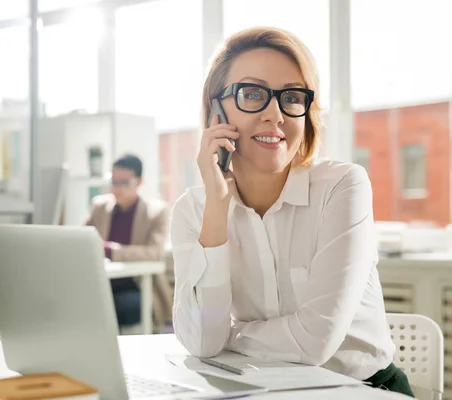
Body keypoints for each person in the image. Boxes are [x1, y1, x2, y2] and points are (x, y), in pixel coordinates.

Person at [171, 27, 413, 396]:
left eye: (291, 97)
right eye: (252, 93)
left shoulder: (342, 186)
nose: (275, 114)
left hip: (362, 388)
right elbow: (202, 342)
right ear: (216, 111)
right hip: (262, 388)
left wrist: (229, 336)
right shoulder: (192, 209)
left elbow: (314, 342)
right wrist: (216, 209)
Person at [86, 154, 172, 329]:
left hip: (137, 286)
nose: (117, 189)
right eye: (114, 182)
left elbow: (154, 252)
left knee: (117, 307)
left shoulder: (156, 212)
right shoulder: (99, 207)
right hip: (101, 283)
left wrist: (111, 250)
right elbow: (83, 240)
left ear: (139, 181)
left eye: (124, 183)